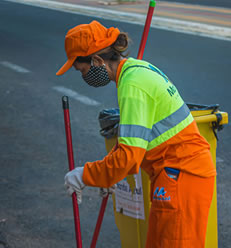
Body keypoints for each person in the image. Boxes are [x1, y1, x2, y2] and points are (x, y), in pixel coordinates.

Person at [56, 20, 216, 248]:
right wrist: (109, 173)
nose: (85, 77)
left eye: (83, 70)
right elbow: (133, 142)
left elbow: (128, 158)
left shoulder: (133, 85)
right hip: (176, 175)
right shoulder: (137, 70)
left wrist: (86, 175)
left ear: (98, 60)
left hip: (182, 177)